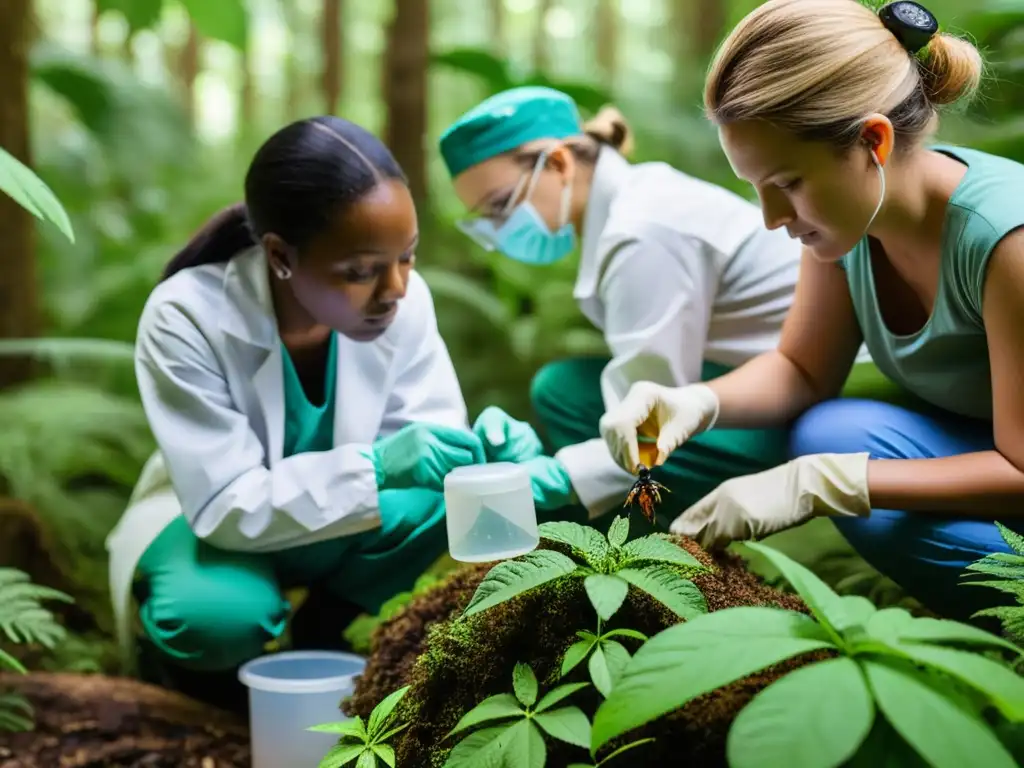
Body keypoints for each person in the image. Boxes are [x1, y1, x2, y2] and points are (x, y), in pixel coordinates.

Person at [105, 115, 566, 710]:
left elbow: (433, 443)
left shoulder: (402, 300)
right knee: (214, 619)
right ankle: (206, 695)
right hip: (212, 522)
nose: (396, 288)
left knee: (432, 501)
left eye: (408, 257)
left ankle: (324, 632)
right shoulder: (184, 317)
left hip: (333, 521)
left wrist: (490, 451)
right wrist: (378, 466)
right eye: (360, 271)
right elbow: (225, 503)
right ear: (280, 257)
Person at [600, 0, 1024, 624]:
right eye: (756, 189)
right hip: (982, 448)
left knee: (841, 464)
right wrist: (692, 402)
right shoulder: (851, 223)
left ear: (872, 142)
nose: (772, 218)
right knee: (832, 431)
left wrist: (824, 484)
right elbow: (802, 370)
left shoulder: (1005, 241)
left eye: (788, 184)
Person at [437, 84, 829, 525]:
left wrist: (560, 474)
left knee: (575, 404)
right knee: (564, 388)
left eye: (500, 206)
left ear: (560, 163)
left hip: (802, 403)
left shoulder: (641, 233)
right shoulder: (634, 204)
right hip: (752, 378)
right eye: (485, 220)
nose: (499, 231)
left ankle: (643, 552)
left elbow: (647, 421)